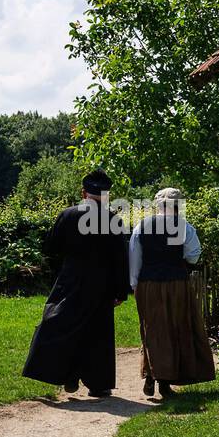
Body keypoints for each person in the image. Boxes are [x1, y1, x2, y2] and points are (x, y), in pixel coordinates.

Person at [22, 169, 130, 397]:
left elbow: (51, 249)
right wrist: (121, 290)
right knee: (98, 334)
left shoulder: (68, 215)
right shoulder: (114, 220)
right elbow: (121, 259)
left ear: (84, 193)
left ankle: (68, 375)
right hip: (102, 284)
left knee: (63, 326)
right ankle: (99, 384)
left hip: (71, 279)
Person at [128, 187, 215, 398]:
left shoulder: (142, 226)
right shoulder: (184, 227)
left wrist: (134, 284)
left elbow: (134, 258)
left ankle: (151, 375)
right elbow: (193, 255)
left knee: (152, 329)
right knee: (176, 327)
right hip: (176, 282)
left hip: (148, 283)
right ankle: (165, 383)